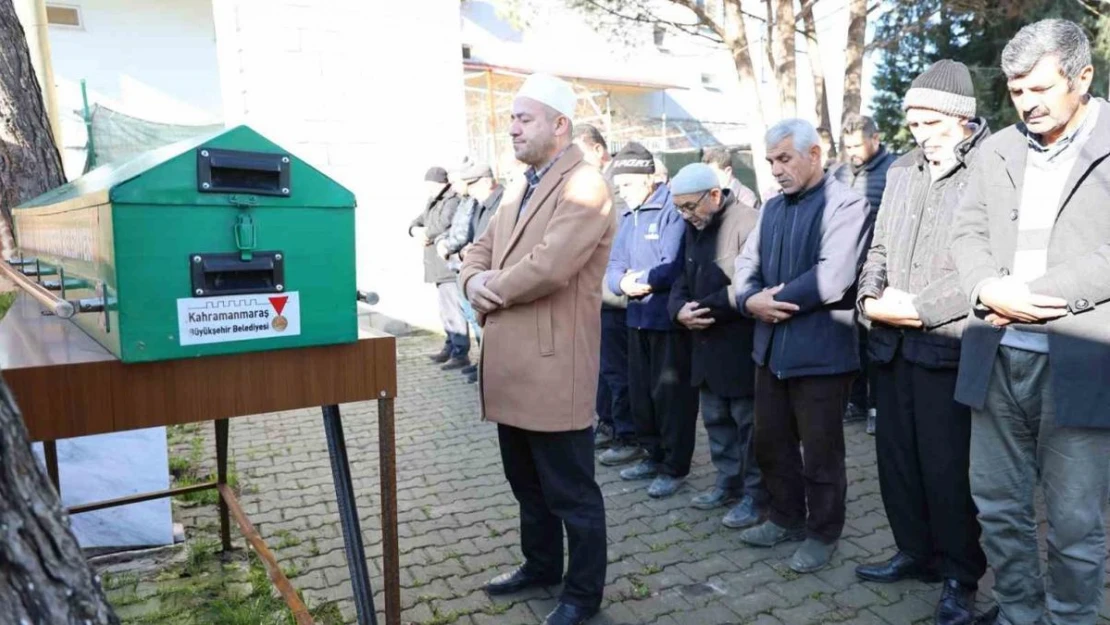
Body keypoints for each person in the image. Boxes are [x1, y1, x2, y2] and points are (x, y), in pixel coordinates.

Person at [950, 19, 1110, 625]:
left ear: (1083, 77)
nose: (1028, 104)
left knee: (1074, 520)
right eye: (1017, 92)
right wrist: (988, 287)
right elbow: (964, 232)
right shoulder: (996, 150)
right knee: (997, 507)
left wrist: (1032, 294)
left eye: (1041, 89)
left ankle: (1070, 618)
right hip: (993, 353)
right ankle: (1018, 613)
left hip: (1078, 359)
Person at [460, 73, 613, 625]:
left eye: (523, 119)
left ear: (559, 124)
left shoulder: (586, 184)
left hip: (554, 367)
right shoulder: (521, 186)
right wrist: (471, 280)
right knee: (527, 484)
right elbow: (479, 248)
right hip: (512, 367)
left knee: (571, 492)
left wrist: (483, 291)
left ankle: (582, 594)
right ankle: (542, 566)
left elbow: (550, 267)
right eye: (511, 119)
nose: (512, 128)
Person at [854, 60, 992, 625]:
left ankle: (960, 575)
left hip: (949, 347)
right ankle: (914, 551)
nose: (919, 135)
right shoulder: (905, 170)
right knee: (896, 461)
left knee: (947, 469)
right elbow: (879, 248)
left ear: (961, 119)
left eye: (930, 123)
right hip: (890, 345)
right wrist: (867, 302)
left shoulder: (990, 167)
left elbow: (986, 262)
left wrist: (922, 310)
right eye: (912, 124)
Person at [732, 119, 872, 574]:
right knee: (771, 443)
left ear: (815, 154)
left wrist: (770, 301)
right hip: (770, 351)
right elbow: (745, 263)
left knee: (821, 453)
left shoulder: (846, 204)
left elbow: (833, 278)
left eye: (784, 158)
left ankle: (823, 532)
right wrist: (748, 299)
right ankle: (786, 517)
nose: (775, 169)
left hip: (822, 355)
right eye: (771, 160)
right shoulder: (772, 208)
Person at [665, 163, 766, 529]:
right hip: (703, 346)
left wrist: (700, 309)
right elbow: (680, 277)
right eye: (679, 208)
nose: (685, 215)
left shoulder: (747, 221)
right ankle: (728, 483)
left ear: (713, 194)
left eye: (690, 207)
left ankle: (757, 496)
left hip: (738, 346)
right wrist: (678, 310)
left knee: (748, 427)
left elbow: (749, 283)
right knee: (716, 421)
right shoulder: (693, 225)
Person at [605, 142, 698, 499]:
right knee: (642, 395)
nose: (622, 192)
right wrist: (622, 282)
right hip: (635, 320)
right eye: (620, 185)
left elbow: (671, 264)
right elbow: (613, 267)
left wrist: (638, 281)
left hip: (666, 323)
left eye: (627, 184)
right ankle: (651, 454)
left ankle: (674, 467)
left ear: (647, 179)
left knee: (671, 399)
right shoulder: (629, 218)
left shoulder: (671, 210)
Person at [572, 125, 641, 461]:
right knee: (603, 368)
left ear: (599, 150)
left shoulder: (613, 185)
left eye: (581, 153)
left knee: (616, 370)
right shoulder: (596, 183)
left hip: (614, 295)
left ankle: (625, 434)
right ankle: (610, 424)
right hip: (598, 294)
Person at [836, 114, 896, 434]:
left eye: (857, 145)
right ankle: (856, 401)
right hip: (845, 273)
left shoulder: (894, 171)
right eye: (847, 146)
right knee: (853, 340)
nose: (852, 152)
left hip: (880, 274)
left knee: (876, 342)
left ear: (875, 139)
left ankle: (877, 405)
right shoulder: (839, 173)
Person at [437, 161, 503, 383]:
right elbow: (478, 239)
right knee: (477, 322)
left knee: (489, 327)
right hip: (475, 271)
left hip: (492, 276)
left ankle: (492, 368)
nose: (469, 189)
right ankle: (486, 365)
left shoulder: (503, 203)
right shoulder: (478, 204)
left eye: (472, 184)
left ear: (486, 181)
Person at [410, 166, 469, 368]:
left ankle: (460, 353)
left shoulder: (451, 201)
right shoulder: (433, 201)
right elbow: (417, 221)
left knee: (453, 310)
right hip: (436, 265)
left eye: (430, 185)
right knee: (446, 311)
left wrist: (425, 234)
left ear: (440, 183)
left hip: (447, 265)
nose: (428, 189)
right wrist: (415, 230)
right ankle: (450, 346)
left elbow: (442, 225)